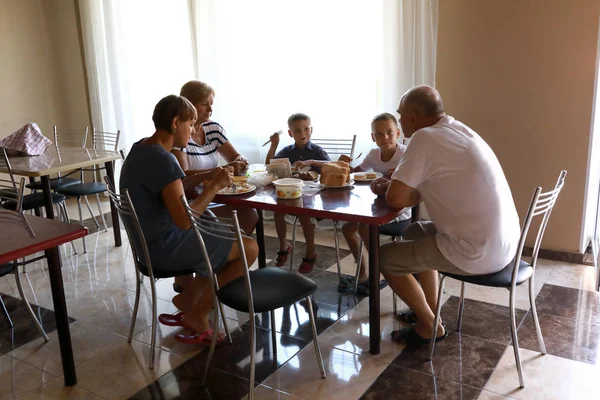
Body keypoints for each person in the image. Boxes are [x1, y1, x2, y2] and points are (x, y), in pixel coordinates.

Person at [373, 86, 520, 347]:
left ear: (414, 116)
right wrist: (407, 185)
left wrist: (399, 186)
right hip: (504, 244)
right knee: (414, 232)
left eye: (401, 114)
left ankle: (430, 326)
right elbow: (423, 184)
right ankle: (429, 312)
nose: (400, 120)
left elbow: (396, 199)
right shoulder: (458, 129)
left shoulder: (424, 138)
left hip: (477, 251)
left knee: (384, 258)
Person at [120, 94, 258, 345]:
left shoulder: (142, 148)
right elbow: (184, 221)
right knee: (248, 248)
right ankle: (198, 312)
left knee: (218, 230)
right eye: (191, 124)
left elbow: (173, 185)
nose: (194, 130)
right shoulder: (164, 160)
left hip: (147, 244)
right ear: (175, 123)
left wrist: (207, 174)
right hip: (163, 247)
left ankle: (188, 299)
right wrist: (213, 186)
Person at [171, 80, 258, 293]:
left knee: (250, 214)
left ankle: (221, 264)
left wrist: (240, 161)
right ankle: (192, 280)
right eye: (204, 104)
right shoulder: (179, 133)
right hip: (190, 202)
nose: (210, 109)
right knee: (240, 226)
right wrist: (212, 175)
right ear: (189, 104)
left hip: (213, 196)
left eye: (212, 103)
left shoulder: (213, 128)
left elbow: (234, 155)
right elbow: (181, 178)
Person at [338, 113, 411, 294]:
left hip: (399, 208)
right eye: (379, 134)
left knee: (364, 228)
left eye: (389, 132)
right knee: (347, 229)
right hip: (377, 206)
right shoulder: (374, 154)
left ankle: (377, 272)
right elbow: (355, 173)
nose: (385, 137)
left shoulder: (406, 154)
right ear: (373, 137)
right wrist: (343, 166)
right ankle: (363, 273)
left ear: (398, 133)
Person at [265, 113, 330, 273]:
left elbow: (330, 165)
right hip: (291, 191)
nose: (303, 133)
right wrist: (273, 146)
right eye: (298, 130)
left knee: (304, 214)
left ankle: (310, 251)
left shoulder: (316, 150)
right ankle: (284, 245)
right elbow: (269, 166)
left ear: (311, 130)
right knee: (277, 211)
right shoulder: (288, 151)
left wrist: (311, 162)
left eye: (306, 129)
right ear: (290, 133)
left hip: (311, 193)